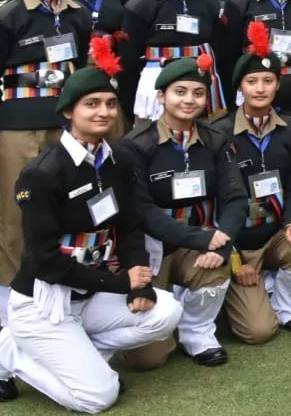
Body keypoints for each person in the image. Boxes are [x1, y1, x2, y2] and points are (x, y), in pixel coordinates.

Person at [0, 37, 183, 412]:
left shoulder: (118, 159)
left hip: (91, 293)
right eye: (91, 104)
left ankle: (76, 353)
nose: (103, 112)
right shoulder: (43, 172)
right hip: (46, 302)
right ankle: (10, 358)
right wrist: (123, 283)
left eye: (109, 104)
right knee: (99, 397)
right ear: (69, 110)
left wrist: (139, 279)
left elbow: (131, 225)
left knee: (166, 311)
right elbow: (46, 262)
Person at [0, 0, 94, 328]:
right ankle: (12, 318)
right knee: (16, 222)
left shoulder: (79, 15)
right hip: (18, 131)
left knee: (70, 213)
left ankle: (65, 306)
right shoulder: (5, 18)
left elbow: (81, 71)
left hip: (67, 132)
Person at [118, 54, 246, 368]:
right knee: (148, 359)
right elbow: (142, 211)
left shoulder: (215, 138)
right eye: (180, 92)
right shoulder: (135, 145)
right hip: (153, 248)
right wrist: (202, 239)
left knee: (216, 264)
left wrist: (222, 241)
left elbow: (236, 198)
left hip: (201, 241)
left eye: (198, 93)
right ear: (161, 96)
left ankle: (197, 332)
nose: (189, 100)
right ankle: (166, 311)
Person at [205, 22, 291, 342]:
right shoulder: (218, 134)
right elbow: (214, 202)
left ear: (278, 86)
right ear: (239, 87)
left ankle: (288, 307)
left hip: (275, 232)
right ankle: (237, 296)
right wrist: (234, 255)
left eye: (268, 81)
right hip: (240, 239)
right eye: (252, 81)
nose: (260, 88)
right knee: (258, 332)